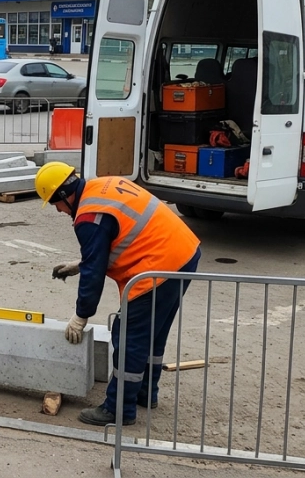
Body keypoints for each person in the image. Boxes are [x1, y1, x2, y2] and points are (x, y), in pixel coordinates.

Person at [35, 162, 201, 427]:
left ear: (64, 196)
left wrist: (81, 316)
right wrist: (82, 264)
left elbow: (94, 276)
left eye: (55, 203)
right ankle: (146, 393)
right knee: (153, 332)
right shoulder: (102, 185)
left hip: (157, 267)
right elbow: (117, 235)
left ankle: (118, 409)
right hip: (184, 254)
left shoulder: (88, 218)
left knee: (128, 336)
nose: (57, 210)